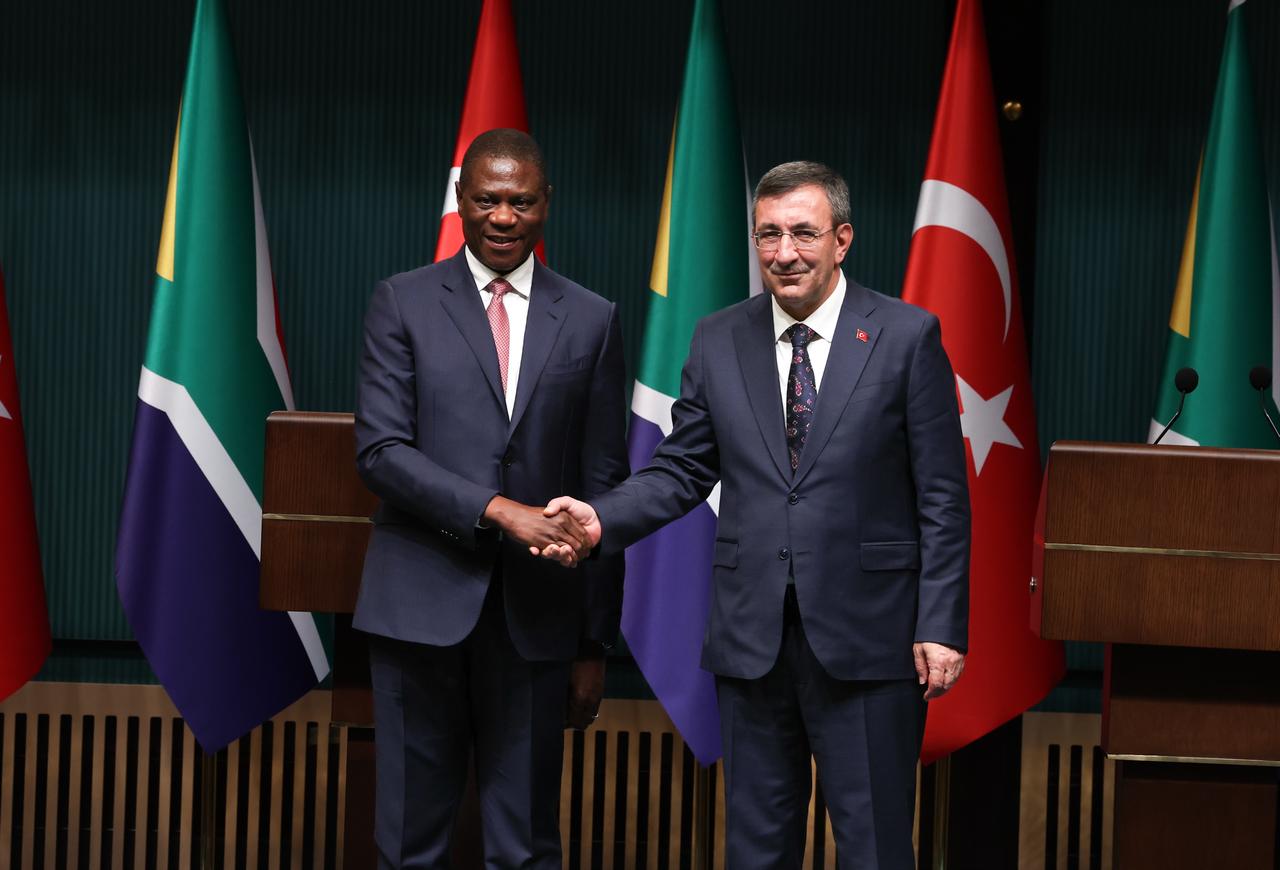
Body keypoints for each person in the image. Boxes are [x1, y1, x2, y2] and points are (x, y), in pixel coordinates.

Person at [544, 161, 970, 869]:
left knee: (874, 846)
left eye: (803, 233)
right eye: (767, 235)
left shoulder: (905, 336)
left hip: (871, 640)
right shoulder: (719, 338)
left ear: (842, 239)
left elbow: (942, 497)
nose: (784, 252)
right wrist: (599, 521)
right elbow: (682, 467)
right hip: (753, 640)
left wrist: (941, 622)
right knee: (755, 847)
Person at [353, 128, 628, 869]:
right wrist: (497, 511)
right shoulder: (402, 302)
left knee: (527, 846)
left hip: (538, 623)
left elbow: (605, 486)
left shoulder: (593, 318)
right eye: (486, 200)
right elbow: (379, 452)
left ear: (546, 206)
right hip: (418, 609)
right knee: (410, 842)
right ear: (461, 200)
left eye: (520, 201)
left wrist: (593, 643)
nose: (502, 217)